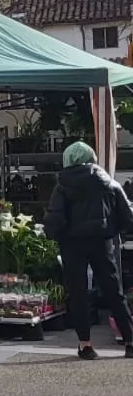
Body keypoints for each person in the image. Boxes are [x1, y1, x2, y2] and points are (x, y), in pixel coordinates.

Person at [44, 141, 133, 360]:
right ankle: (130, 341)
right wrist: (112, 230)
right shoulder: (108, 182)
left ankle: (85, 345)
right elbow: (127, 214)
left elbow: (55, 219)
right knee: (114, 291)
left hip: (72, 244)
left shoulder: (62, 185)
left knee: (79, 293)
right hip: (102, 241)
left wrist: (53, 234)